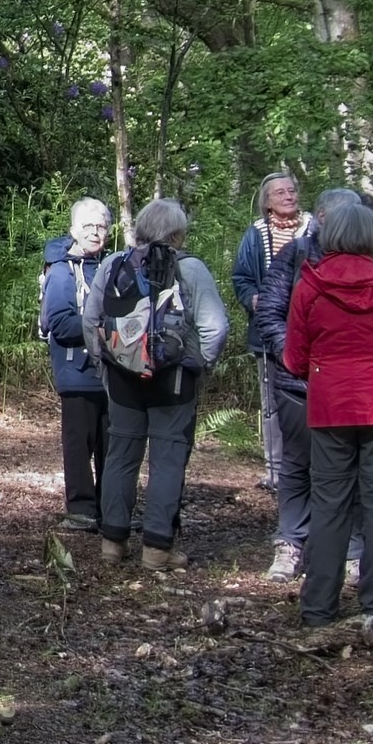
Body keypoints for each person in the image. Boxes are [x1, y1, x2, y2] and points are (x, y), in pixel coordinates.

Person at [282, 198, 373, 627]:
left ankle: (318, 608)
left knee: (330, 506)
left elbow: (294, 358)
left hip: (331, 405)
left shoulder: (309, 286)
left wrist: (326, 370)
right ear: (372, 237)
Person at [94, 198, 233, 572]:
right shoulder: (191, 268)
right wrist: (201, 363)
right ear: (177, 233)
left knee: (121, 456)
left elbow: (91, 320)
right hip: (173, 379)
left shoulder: (113, 265)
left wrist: (105, 365)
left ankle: (112, 542)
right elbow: (215, 328)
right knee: (167, 460)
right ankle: (156, 549)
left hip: (123, 377)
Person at [230, 174, 316, 579]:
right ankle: (276, 468)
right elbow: (241, 278)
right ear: (266, 201)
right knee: (274, 407)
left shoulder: (315, 228)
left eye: (292, 190)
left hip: (315, 339)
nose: (289, 196)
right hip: (269, 334)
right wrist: (256, 299)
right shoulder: (256, 235)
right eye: (280, 192)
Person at [39, 198, 117, 530]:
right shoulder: (60, 271)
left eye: (101, 226)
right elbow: (59, 323)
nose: (96, 233)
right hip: (76, 373)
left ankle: (112, 507)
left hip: (114, 373)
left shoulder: (114, 266)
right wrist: (103, 329)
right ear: (73, 230)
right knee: (78, 445)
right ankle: (82, 510)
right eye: (88, 226)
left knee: (112, 445)